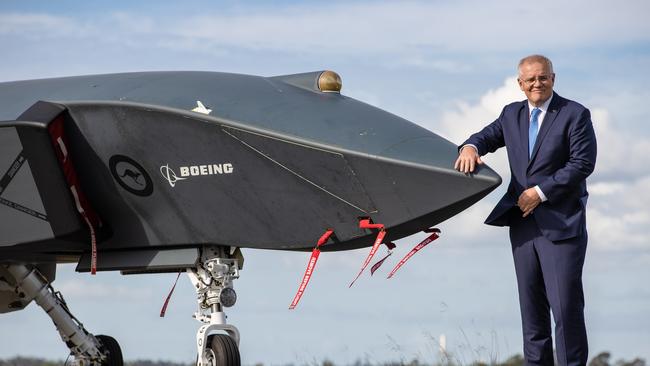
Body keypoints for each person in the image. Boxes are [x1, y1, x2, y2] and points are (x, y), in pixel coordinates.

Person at [454, 55, 597, 366]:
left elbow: (583, 163)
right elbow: (484, 138)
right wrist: (470, 147)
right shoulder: (511, 114)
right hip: (522, 226)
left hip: (562, 227)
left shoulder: (575, 114)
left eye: (542, 77)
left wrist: (540, 193)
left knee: (565, 311)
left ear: (553, 79)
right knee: (532, 315)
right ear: (520, 84)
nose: (537, 83)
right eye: (530, 79)